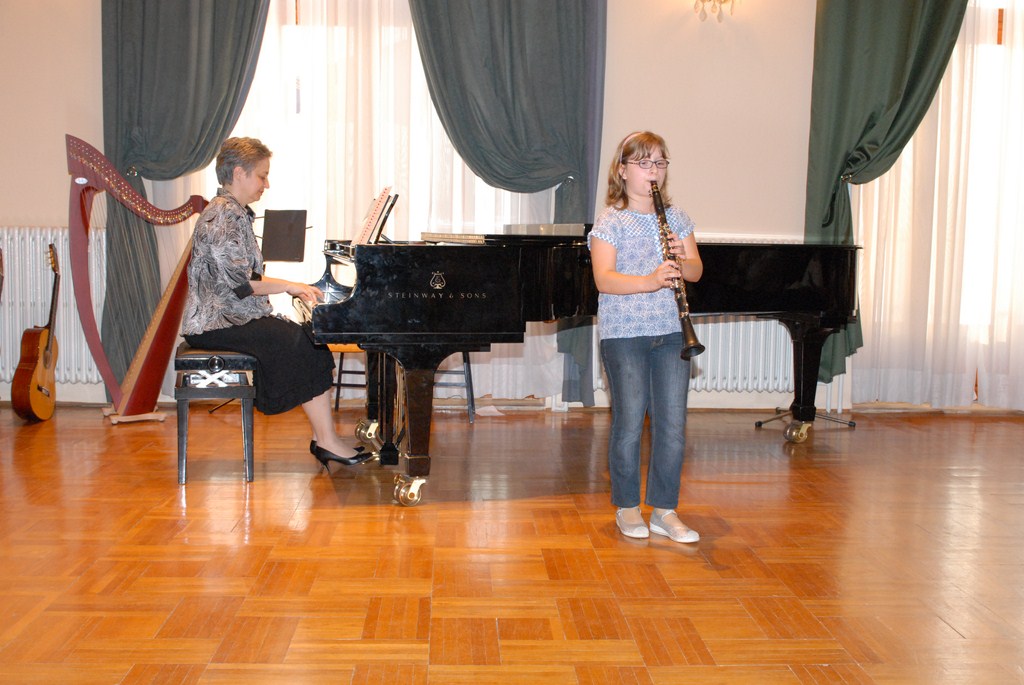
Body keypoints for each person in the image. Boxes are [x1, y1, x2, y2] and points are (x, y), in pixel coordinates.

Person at [181, 137, 369, 472]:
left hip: (231, 318)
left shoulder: (233, 213)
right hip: (216, 324)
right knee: (301, 344)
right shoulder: (223, 215)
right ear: (239, 173)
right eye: (262, 175)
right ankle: (326, 440)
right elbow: (241, 285)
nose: (266, 184)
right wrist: (289, 286)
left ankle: (325, 438)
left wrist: (291, 286)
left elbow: (242, 278)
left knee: (307, 343)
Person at [588, 131, 703, 543]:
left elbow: (696, 271)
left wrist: (681, 258)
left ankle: (665, 511)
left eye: (659, 162)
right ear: (622, 170)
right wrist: (650, 280)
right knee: (630, 424)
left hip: (671, 331)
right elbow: (604, 279)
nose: (653, 170)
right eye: (643, 162)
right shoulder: (610, 221)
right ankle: (627, 507)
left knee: (672, 426)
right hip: (624, 333)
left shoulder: (676, 217)